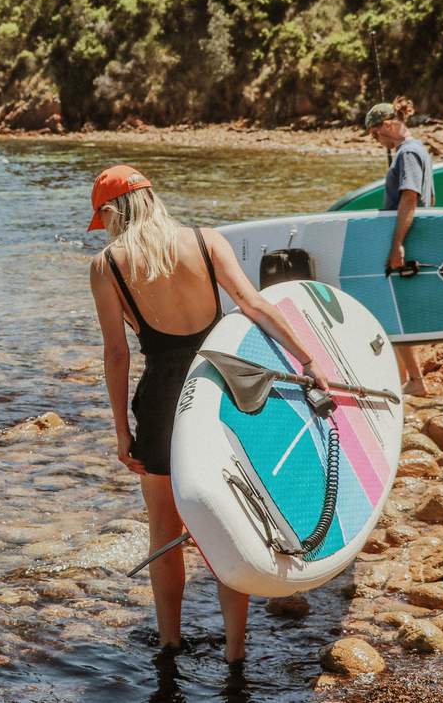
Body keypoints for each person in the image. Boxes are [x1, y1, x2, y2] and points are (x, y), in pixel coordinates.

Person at [87, 164, 326, 665]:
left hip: (161, 404)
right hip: (217, 393)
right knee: (226, 523)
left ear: (112, 212)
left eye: (102, 218)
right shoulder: (207, 241)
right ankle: (236, 652)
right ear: (152, 198)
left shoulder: (107, 265)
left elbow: (116, 355)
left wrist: (120, 432)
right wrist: (308, 359)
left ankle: (170, 642)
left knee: (163, 531)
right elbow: (253, 304)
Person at [363, 97, 433, 396]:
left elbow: (409, 198)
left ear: (389, 125)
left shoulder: (408, 153)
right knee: (397, 308)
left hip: (406, 239)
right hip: (412, 237)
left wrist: (397, 244)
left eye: (376, 133)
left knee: (396, 311)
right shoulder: (415, 150)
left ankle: (416, 381)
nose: (376, 140)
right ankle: (404, 377)